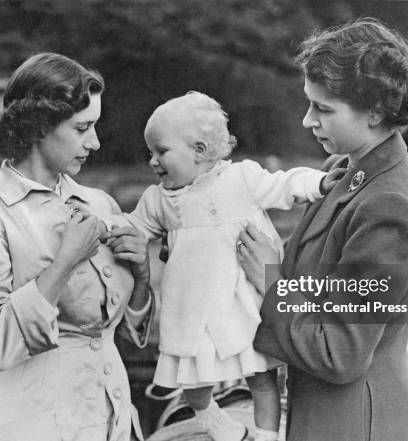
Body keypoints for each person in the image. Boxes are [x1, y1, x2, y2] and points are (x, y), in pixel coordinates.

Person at [237, 18, 408, 441]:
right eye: (309, 104)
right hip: (325, 416)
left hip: (361, 423)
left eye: (324, 109)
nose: (308, 120)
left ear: (375, 113)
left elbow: (340, 353)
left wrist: (272, 282)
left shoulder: (388, 207)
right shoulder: (342, 170)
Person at [0, 53, 153, 441]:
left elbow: (121, 334)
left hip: (112, 422)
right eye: (82, 128)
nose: (94, 142)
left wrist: (142, 275)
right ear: (40, 126)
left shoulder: (99, 204)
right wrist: (64, 262)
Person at [124, 91, 345, 441]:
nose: (152, 161)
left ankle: (267, 437)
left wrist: (317, 183)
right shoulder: (159, 200)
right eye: (150, 152)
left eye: (161, 152)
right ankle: (216, 423)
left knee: (262, 377)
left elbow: (283, 184)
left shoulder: (241, 178)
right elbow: (133, 228)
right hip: (193, 309)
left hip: (242, 301)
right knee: (193, 381)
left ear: (199, 151)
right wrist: (111, 230)